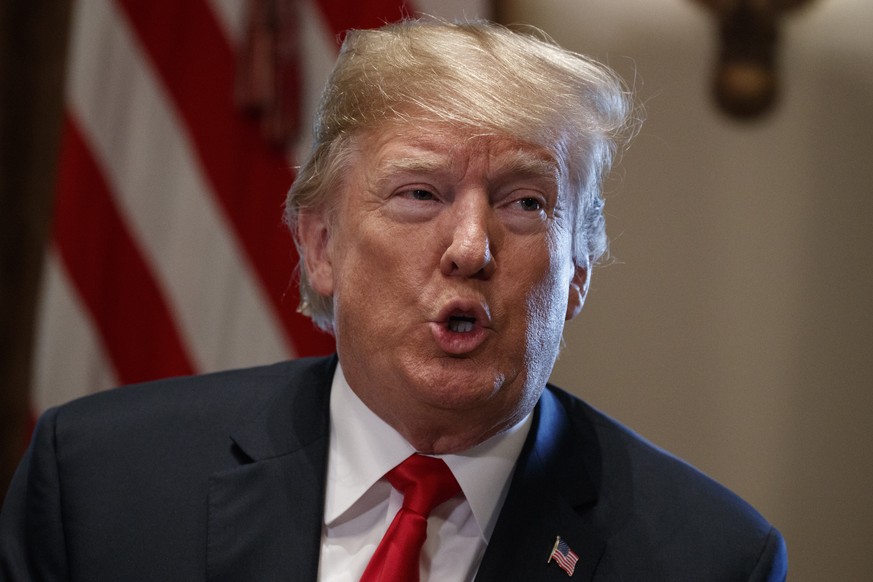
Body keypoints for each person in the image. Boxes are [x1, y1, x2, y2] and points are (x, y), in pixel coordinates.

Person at [0, 19, 787, 581]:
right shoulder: (101, 484)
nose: (471, 247)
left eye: (526, 204)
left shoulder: (711, 557)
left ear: (577, 268)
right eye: (418, 193)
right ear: (321, 246)